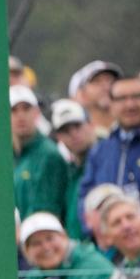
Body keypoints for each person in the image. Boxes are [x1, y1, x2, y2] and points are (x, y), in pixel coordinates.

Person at [79, 76, 140, 228]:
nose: (130, 105)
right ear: (111, 104)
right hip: (106, 246)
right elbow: (84, 197)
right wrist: (95, 227)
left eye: (137, 96)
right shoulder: (101, 149)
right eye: (122, 98)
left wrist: (121, 224)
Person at [10, 85, 69, 222]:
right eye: (14, 110)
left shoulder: (48, 155)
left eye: (26, 108)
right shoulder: (8, 156)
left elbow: (47, 211)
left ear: (36, 113)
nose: (20, 116)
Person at [51, 99, 98, 239]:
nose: (73, 134)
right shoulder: (67, 172)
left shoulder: (106, 161)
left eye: (77, 126)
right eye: (65, 130)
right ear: (59, 137)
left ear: (90, 125)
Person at [68, 60, 122, 136]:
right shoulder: (71, 137)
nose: (106, 87)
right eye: (97, 81)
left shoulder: (135, 128)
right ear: (79, 94)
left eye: (111, 80)